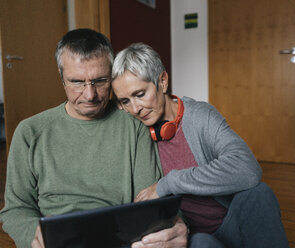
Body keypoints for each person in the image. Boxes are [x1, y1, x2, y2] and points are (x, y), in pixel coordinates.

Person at [0, 29, 188, 248]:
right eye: (77, 82)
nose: (90, 95)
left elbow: (150, 201)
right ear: (62, 80)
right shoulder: (30, 131)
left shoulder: (134, 126)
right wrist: (35, 236)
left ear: (112, 77)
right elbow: (16, 209)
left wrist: (175, 226)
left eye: (100, 81)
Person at [112, 43, 289, 248]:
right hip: (192, 237)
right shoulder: (136, 132)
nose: (135, 109)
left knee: (259, 193)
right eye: (125, 101)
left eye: (140, 94)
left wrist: (170, 183)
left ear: (162, 82)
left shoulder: (200, 116)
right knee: (202, 243)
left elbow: (247, 168)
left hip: (231, 224)